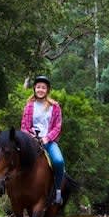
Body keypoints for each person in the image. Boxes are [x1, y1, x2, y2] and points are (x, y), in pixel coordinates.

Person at [21, 75, 66, 205]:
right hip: (31, 141)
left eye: (43, 88)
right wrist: (31, 137)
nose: (41, 90)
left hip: (49, 141)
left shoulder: (55, 106)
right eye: (38, 87)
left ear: (47, 90)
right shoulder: (29, 106)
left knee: (58, 161)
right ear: (34, 88)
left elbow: (58, 126)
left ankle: (57, 192)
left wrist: (47, 138)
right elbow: (24, 126)